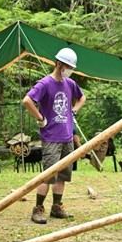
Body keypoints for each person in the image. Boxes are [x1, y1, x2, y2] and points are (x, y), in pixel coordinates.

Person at [23, 47, 86, 223]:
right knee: (48, 175)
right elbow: (27, 100)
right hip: (51, 137)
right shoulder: (45, 84)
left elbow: (82, 98)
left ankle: (57, 207)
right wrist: (40, 117)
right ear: (58, 64)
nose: (69, 70)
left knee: (63, 175)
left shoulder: (70, 84)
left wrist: (74, 110)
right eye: (67, 66)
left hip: (66, 136)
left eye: (71, 67)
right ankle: (38, 209)